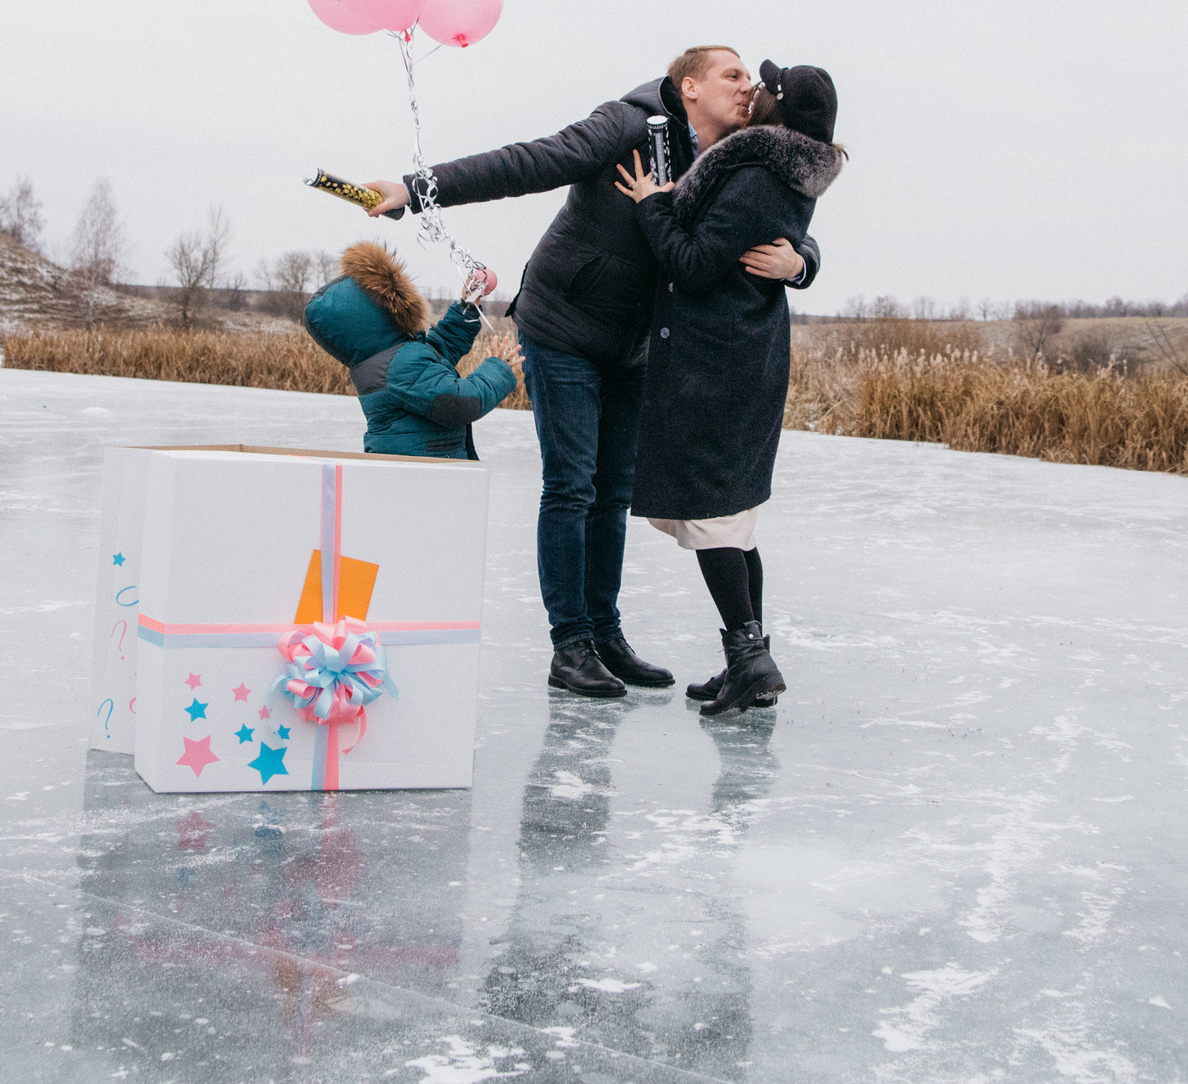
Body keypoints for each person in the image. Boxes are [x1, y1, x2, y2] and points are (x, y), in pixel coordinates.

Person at [360, 47, 821, 698]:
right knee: (572, 485)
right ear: (689, 85)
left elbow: (776, 209)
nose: (748, 86)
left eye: (750, 77)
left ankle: (606, 634)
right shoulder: (627, 124)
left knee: (613, 492)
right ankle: (571, 644)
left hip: (635, 342)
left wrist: (801, 261)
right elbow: (528, 162)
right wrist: (414, 188)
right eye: (733, 74)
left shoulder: (734, 153)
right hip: (564, 325)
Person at [614, 61, 844, 718]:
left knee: (713, 515)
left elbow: (692, 264)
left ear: (779, 108)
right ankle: (750, 661)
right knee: (734, 519)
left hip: (718, 362)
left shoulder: (754, 173)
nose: (753, 90)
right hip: (748, 354)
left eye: (764, 86)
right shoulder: (785, 169)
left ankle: (750, 659)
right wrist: (801, 262)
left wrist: (653, 205)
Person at [302, 241, 525, 460]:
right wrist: (497, 370)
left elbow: (439, 351)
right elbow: (459, 403)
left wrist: (466, 308)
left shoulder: (389, 358)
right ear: (378, 313)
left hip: (420, 466)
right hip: (425, 473)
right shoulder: (400, 364)